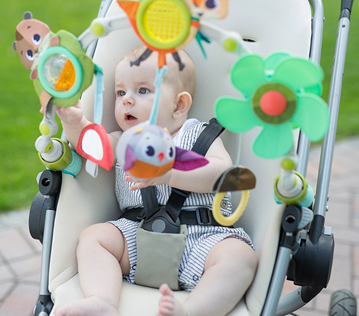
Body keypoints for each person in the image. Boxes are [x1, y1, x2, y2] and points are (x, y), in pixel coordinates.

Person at [54, 46, 257, 316]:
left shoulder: (199, 136)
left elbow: (224, 176)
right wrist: (73, 122)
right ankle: (102, 300)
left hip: (203, 238)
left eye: (142, 90)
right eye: (120, 92)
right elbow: (89, 144)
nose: (126, 100)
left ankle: (191, 311)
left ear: (179, 105)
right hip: (136, 236)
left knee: (239, 257)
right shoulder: (123, 140)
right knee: (94, 238)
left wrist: (170, 173)